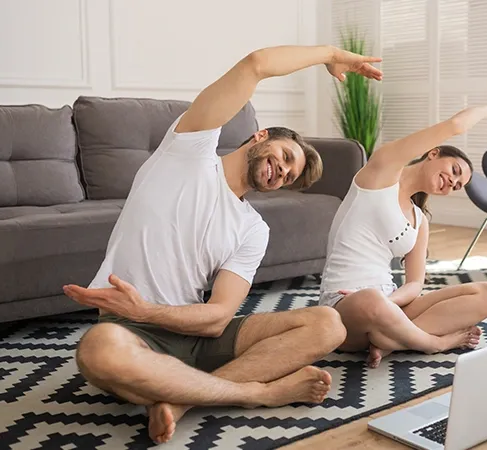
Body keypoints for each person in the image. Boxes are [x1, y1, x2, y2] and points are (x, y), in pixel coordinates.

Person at [61, 45, 383, 444]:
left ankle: (180, 399)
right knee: (98, 351)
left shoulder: (253, 229)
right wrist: (329, 54)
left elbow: (217, 317)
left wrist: (148, 309)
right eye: (284, 156)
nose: (281, 171)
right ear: (260, 136)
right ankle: (255, 392)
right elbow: (255, 65)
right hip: (131, 331)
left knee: (328, 324)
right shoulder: (189, 150)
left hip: (195, 334)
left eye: (288, 176)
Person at [318, 104, 487, 369]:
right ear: (433, 153)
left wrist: (390, 302)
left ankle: (390, 342)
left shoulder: (420, 221)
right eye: (454, 171)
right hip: (346, 306)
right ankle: (433, 342)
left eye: (457, 186)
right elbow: (454, 126)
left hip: (391, 305)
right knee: (370, 299)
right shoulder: (380, 175)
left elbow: (415, 284)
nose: (452, 183)